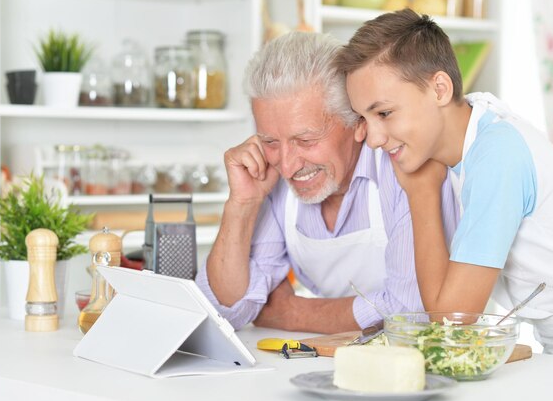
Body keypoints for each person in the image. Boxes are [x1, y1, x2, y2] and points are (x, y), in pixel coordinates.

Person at [337, 9, 553, 357]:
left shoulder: (496, 155)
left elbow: (450, 321)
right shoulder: (473, 131)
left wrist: (421, 193)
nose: (373, 138)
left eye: (383, 113)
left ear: (440, 89)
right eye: (364, 118)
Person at [195, 32, 459, 334]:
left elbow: (413, 312)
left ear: (358, 124)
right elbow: (226, 312)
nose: (288, 164)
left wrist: (289, 312)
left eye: (305, 140)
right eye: (269, 140)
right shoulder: (269, 177)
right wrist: (241, 205)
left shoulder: (406, 168)